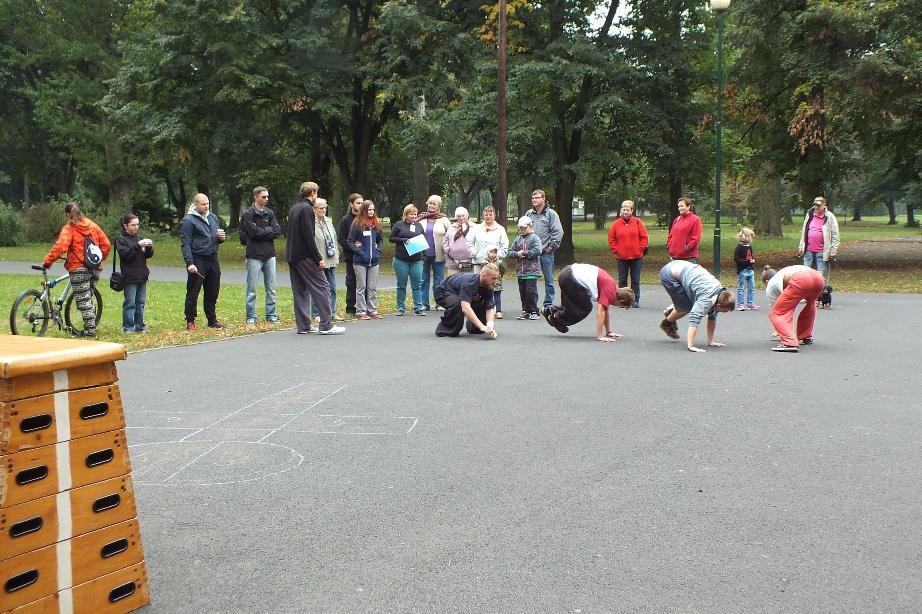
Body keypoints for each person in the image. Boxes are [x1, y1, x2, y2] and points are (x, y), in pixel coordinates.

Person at [42, 202, 111, 337]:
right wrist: (100, 259)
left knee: (83, 300)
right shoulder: (92, 225)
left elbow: (60, 247)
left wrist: (48, 261)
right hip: (95, 268)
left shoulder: (69, 228)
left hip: (78, 268)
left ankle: (90, 331)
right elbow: (106, 244)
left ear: (67, 214)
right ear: (80, 212)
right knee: (87, 298)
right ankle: (89, 326)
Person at [286, 182, 345, 335]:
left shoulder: (294, 208)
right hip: (305, 255)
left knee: (300, 290)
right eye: (316, 192)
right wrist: (318, 257)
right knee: (323, 287)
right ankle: (326, 324)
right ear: (312, 193)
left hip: (293, 255)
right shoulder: (307, 209)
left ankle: (303, 326)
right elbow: (308, 235)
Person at [541, 264, 634, 342]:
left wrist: (608, 332)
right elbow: (600, 312)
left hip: (566, 272)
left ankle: (549, 310)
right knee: (585, 308)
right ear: (621, 301)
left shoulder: (612, 287)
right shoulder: (610, 292)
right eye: (620, 306)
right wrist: (600, 336)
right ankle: (555, 318)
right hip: (571, 278)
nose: (617, 306)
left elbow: (605, 311)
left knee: (570, 305)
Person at [658, 260, 735, 352]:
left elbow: (712, 318)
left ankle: (674, 308)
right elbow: (694, 319)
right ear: (719, 305)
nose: (725, 313)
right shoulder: (706, 300)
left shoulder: (720, 293)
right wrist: (691, 346)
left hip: (682, 267)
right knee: (686, 308)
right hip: (669, 274)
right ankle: (666, 323)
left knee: (690, 303)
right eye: (725, 311)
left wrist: (710, 342)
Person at [180, 193, 225, 331]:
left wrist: (220, 238)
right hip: (198, 259)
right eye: (203, 204)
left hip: (212, 258)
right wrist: (190, 263)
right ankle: (190, 320)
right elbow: (185, 243)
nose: (206, 207)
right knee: (193, 291)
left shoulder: (212, 217)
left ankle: (212, 320)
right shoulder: (188, 221)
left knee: (213, 291)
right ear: (196, 204)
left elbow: (215, 237)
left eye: (208, 204)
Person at [241, 185, 282, 326]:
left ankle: (271, 314)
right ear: (256, 197)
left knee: (271, 288)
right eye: (263, 197)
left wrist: (262, 231)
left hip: (269, 255)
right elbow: (253, 233)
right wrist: (266, 231)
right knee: (251, 288)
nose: (266, 199)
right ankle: (250, 316)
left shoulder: (270, 213)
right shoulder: (248, 214)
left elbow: (277, 230)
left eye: (267, 196)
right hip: (254, 256)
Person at [764, 265, 825, 352]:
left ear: (766, 282)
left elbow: (781, 312)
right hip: (818, 277)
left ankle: (789, 343)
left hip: (802, 279)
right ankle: (805, 337)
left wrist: (780, 330)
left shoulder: (771, 286)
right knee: (810, 306)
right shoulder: (784, 272)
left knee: (777, 313)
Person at [433, 263, 501, 338]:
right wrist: (482, 326)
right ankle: (445, 329)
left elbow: (489, 307)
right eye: (494, 278)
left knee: (481, 303)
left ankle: (474, 327)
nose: (496, 281)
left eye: (497, 278)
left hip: (459, 294)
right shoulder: (469, 283)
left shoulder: (488, 286)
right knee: (458, 303)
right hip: (444, 292)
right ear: (484, 275)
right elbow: (465, 308)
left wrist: (489, 325)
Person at [115, 213, 153, 333]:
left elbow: (147, 255)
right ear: (125, 226)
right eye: (133, 225)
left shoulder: (139, 237)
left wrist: (149, 247)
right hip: (129, 277)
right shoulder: (121, 240)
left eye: (137, 224)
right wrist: (138, 246)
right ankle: (128, 327)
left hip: (142, 275)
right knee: (130, 303)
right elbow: (126, 255)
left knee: (140, 303)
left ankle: (140, 325)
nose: (136, 227)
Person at [607, 199, 649, 308]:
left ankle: (635, 300)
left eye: (628, 210)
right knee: (622, 279)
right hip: (621, 257)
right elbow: (611, 239)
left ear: (632, 211)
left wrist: (640, 248)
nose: (625, 212)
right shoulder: (616, 224)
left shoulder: (637, 222)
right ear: (621, 210)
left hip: (636, 256)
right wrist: (617, 250)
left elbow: (644, 237)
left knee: (635, 279)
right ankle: (622, 300)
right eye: (623, 209)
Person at [526, 189, 564, 308]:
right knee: (531, 281)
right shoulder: (528, 214)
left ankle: (548, 304)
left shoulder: (551, 214)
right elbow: (522, 229)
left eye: (537, 198)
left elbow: (558, 231)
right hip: (532, 253)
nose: (534, 200)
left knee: (549, 280)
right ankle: (532, 305)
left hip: (545, 252)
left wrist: (551, 246)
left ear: (543, 198)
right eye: (533, 198)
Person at [347, 200, 384, 320]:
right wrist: (358, 251)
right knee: (361, 286)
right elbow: (350, 241)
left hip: (374, 261)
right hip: (360, 261)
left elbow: (380, 240)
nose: (371, 212)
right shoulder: (357, 223)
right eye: (369, 209)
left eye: (373, 209)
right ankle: (361, 311)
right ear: (364, 210)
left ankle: (372, 309)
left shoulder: (376, 223)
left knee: (372, 287)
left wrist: (378, 250)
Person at [389, 204, 426, 316]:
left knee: (417, 284)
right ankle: (401, 308)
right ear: (406, 215)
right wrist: (402, 240)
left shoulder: (419, 226)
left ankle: (418, 307)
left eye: (415, 214)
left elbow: (423, 240)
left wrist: (424, 255)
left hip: (416, 260)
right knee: (401, 284)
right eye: (411, 214)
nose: (413, 216)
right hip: (401, 260)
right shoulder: (399, 225)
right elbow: (391, 238)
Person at [417, 194, 451, 311]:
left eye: (434, 204)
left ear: (439, 206)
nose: (431, 206)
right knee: (423, 279)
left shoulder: (444, 219)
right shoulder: (421, 218)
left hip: (439, 255)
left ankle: (439, 303)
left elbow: (450, 236)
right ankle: (423, 303)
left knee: (439, 280)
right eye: (430, 203)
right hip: (423, 255)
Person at [797, 196, 840, 283]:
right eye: (815, 205)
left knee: (820, 276)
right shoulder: (809, 214)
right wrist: (801, 247)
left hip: (822, 251)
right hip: (808, 250)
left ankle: (821, 293)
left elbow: (835, 235)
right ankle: (806, 292)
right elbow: (804, 231)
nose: (816, 207)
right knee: (806, 274)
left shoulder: (830, 216)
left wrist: (833, 250)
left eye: (819, 205)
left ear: (824, 205)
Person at [507, 216, 542, 320]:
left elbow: (538, 251)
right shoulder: (518, 239)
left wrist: (525, 253)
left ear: (530, 226)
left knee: (531, 292)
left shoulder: (535, 238)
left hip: (531, 271)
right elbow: (510, 252)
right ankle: (525, 310)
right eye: (520, 228)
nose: (522, 230)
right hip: (520, 272)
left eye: (524, 228)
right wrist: (517, 253)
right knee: (523, 292)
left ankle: (534, 311)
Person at [311, 198, 340, 321]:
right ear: (314, 209)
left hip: (331, 259)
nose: (323, 210)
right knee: (318, 289)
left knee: (332, 288)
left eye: (325, 208)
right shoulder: (312, 222)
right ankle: (316, 313)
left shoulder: (328, 221)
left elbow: (334, 238)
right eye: (320, 208)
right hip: (319, 260)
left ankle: (332, 312)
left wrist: (336, 254)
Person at [338, 193, 363, 316]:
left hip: (365, 257)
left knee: (364, 282)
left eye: (362, 203)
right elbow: (341, 239)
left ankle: (364, 306)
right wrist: (353, 246)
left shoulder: (366, 219)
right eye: (358, 203)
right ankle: (350, 307)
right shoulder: (346, 220)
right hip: (352, 257)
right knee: (351, 282)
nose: (360, 205)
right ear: (351, 204)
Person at [467, 206, 509, 273]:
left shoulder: (501, 229)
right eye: (486, 214)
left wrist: (496, 255)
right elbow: (469, 243)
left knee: (493, 283)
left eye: (490, 214)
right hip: (478, 263)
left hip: (494, 265)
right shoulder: (476, 228)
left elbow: (505, 247)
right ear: (483, 216)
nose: (488, 216)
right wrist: (474, 253)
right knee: (477, 283)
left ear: (494, 215)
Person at [666, 196, 702, 263]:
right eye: (678, 206)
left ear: (688, 207)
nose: (680, 208)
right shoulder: (677, 220)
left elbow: (696, 238)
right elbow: (671, 236)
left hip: (688, 258)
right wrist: (669, 247)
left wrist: (686, 248)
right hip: (674, 258)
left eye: (682, 206)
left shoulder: (695, 219)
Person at [442, 207, 473, 275]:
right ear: (456, 217)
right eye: (459, 216)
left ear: (467, 215)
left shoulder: (474, 227)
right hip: (453, 262)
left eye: (463, 215)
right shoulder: (451, 227)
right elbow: (445, 240)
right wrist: (448, 250)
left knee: (467, 283)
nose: (461, 218)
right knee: (453, 283)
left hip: (469, 263)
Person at [734, 227, 758, 311]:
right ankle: (740, 304)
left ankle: (750, 303)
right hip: (742, 270)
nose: (747, 238)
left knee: (752, 287)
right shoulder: (739, 247)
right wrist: (746, 262)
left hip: (750, 270)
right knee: (741, 287)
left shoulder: (749, 246)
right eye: (745, 236)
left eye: (749, 236)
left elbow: (750, 256)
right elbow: (737, 258)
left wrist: (752, 260)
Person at [482, 248, 506, 318]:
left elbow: (502, 271)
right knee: (488, 297)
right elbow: (483, 271)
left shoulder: (499, 262)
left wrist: (499, 277)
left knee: (497, 298)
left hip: (497, 283)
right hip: (487, 283)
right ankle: (489, 310)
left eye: (495, 252)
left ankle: (498, 311)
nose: (493, 254)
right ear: (488, 253)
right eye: (491, 252)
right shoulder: (484, 262)